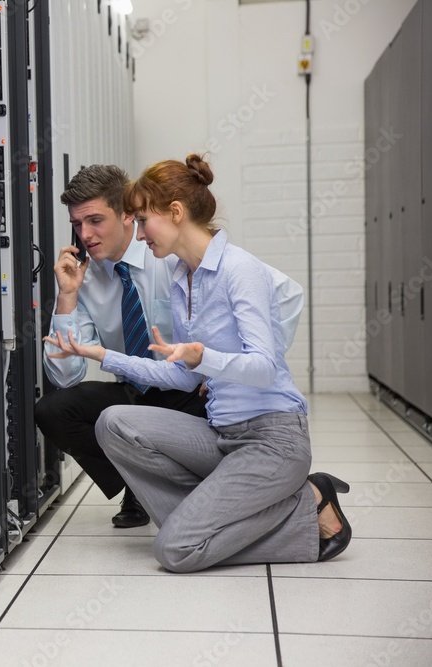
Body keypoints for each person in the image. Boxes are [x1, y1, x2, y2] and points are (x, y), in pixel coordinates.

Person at [45, 155, 350, 572]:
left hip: (248, 422)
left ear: (150, 215)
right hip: (198, 414)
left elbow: (267, 353)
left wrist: (215, 364)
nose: (85, 234)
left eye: (97, 220)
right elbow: (73, 376)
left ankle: (303, 507)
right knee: (108, 420)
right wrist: (95, 348)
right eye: (77, 225)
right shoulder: (173, 279)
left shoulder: (213, 264)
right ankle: (188, 506)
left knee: (176, 547)